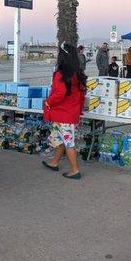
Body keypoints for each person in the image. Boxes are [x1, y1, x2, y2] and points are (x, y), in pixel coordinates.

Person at [42, 42, 86, 180]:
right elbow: (81, 96)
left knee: (68, 142)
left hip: (63, 113)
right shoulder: (77, 74)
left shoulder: (61, 74)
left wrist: (48, 102)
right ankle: (54, 162)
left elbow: (59, 93)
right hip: (70, 113)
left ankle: (75, 170)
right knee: (61, 139)